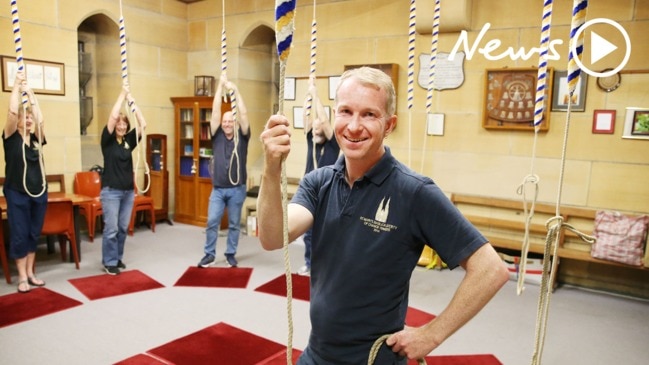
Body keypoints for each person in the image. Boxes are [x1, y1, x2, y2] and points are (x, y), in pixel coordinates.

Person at [257, 67, 509, 364]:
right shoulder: (319, 182)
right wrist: (272, 169)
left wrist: (431, 334)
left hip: (375, 359)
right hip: (317, 355)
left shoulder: (414, 192)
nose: (353, 126)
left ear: (389, 125)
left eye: (369, 115)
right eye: (346, 111)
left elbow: (491, 269)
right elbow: (273, 237)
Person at [197, 73, 250, 268]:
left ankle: (230, 254)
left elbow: (243, 115)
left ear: (235, 124)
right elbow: (215, 112)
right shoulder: (217, 135)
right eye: (225, 121)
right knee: (212, 221)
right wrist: (220, 87)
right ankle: (209, 254)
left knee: (235, 224)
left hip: (237, 188)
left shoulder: (242, 137)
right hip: (218, 189)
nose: (227, 124)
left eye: (230, 121)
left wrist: (235, 90)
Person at [3, 71, 48, 293]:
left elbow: (41, 120)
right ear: (19, 121)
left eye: (29, 117)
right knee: (20, 234)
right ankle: (22, 276)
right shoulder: (11, 138)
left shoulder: (37, 139)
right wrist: (15, 87)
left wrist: (32, 97)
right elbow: (11, 112)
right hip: (17, 192)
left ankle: (31, 272)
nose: (28, 119)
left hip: (38, 192)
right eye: (25, 117)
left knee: (33, 233)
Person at [100, 83, 146, 275]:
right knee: (111, 229)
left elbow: (143, 125)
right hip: (111, 192)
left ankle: (117, 258)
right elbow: (112, 118)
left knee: (122, 228)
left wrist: (134, 105)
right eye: (119, 123)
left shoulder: (128, 141)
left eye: (124, 124)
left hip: (128, 192)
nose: (121, 126)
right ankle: (109, 261)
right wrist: (122, 95)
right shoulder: (108, 141)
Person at [297, 75, 339, 276]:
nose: (315, 127)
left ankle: (326, 266)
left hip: (329, 193)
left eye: (319, 125)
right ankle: (309, 262)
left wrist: (316, 94)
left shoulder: (333, 144)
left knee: (327, 233)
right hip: (310, 192)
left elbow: (323, 119)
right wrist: (307, 94)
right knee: (308, 233)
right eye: (313, 126)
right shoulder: (310, 141)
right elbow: (307, 120)